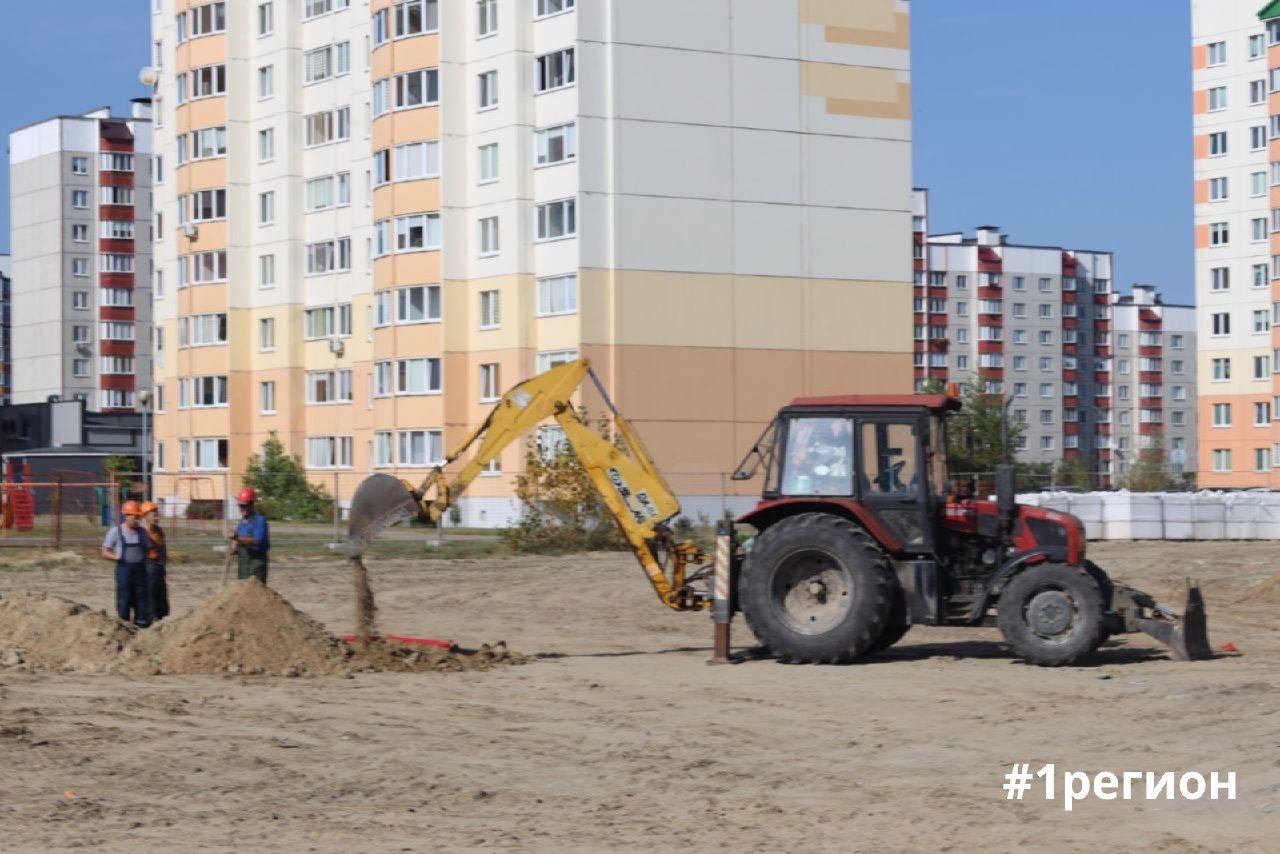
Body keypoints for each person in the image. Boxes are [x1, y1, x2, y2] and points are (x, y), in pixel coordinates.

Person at [101, 501, 152, 627]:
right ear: (126, 516)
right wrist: (116, 556)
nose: (137, 521)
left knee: (141, 600)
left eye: (138, 518)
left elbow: (148, 549)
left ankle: (142, 626)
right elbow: (105, 552)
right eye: (135, 518)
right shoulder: (116, 532)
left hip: (140, 573)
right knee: (124, 600)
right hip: (124, 573)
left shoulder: (142, 532)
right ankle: (124, 627)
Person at [230, 487, 271, 584]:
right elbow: (240, 542)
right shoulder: (241, 523)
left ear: (252, 505)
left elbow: (256, 541)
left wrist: (236, 537)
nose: (242, 509)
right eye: (240, 506)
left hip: (256, 564)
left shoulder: (260, 521)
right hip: (243, 566)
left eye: (244, 506)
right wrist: (234, 550)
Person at [139, 501, 169, 622]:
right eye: (153, 514)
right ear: (145, 515)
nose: (156, 516)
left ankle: (163, 615)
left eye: (157, 513)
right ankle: (151, 617)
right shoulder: (142, 531)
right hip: (148, 566)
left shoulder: (159, 531)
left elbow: (163, 547)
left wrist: (164, 562)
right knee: (150, 592)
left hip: (159, 566)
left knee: (161, 592)